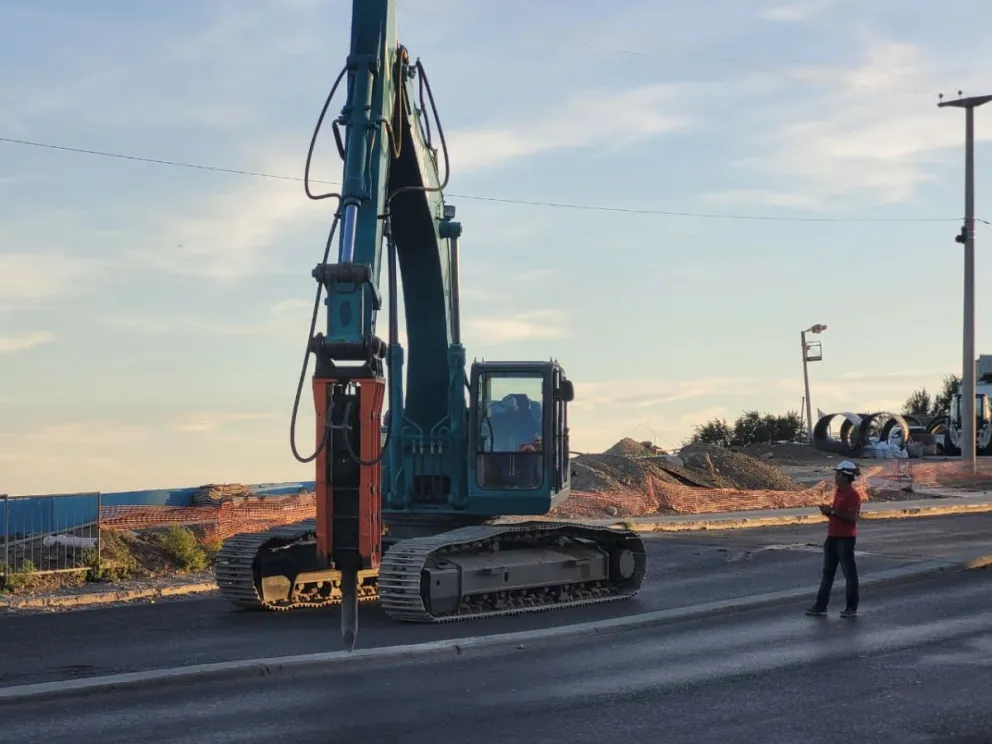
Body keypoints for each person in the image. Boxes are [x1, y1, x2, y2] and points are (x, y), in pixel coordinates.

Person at [805, 460, 863, 618]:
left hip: (845, 539)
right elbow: (836, 513)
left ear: (846, 477)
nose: (835, 477)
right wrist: (829, 512)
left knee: (849, 575)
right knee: (827, 574)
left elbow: (852, 517)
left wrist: (833, 512)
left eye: (838, 475)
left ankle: (852, 607)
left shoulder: (853, 495)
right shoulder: (839, 493)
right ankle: (820, 606)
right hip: (832, 537)